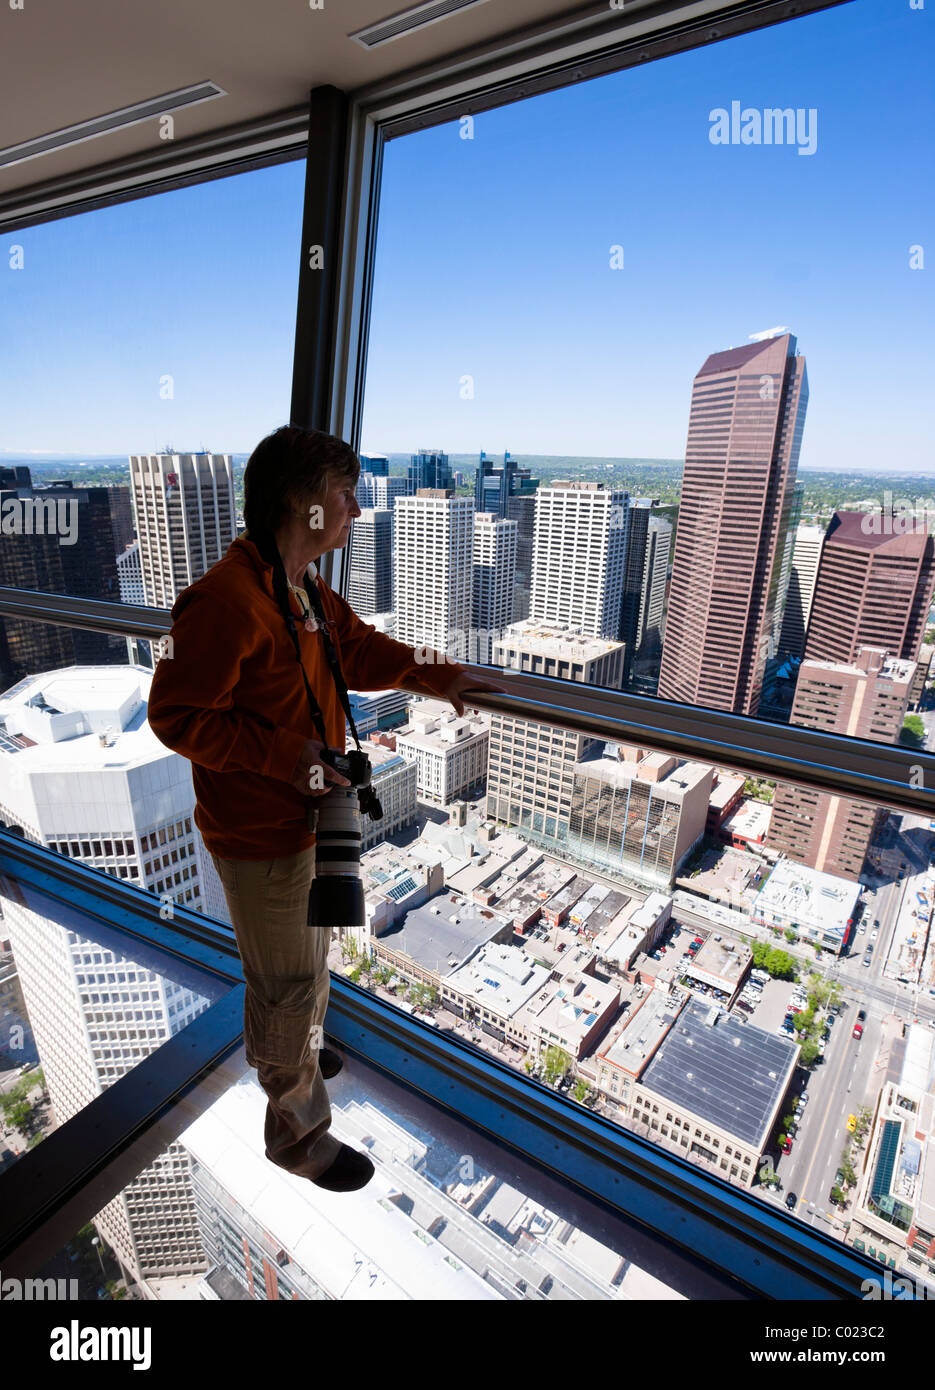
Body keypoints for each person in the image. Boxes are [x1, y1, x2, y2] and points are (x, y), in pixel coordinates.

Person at [147, 426, 501, 1191]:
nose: (355, 514)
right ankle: (298, 1138)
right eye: (345, 498)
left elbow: (357, 650)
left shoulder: (296, 583)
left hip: (305, 816)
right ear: (304, 506)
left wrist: (439, 677)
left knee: (307, 964)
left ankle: (299, 1049)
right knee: (285, 986)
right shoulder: (225, 602)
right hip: (260, 832)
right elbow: (176, 715)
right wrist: (289, 758)